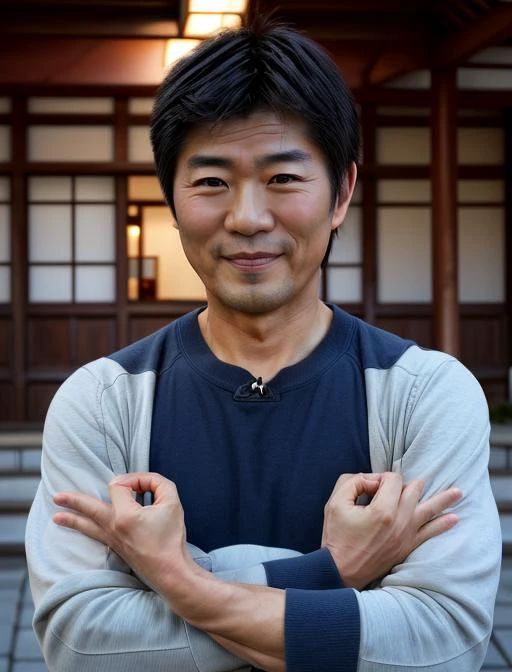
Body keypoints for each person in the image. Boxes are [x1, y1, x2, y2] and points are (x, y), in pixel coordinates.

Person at [25, 17, 501, 672]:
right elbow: (83, 644)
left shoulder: (425, 393)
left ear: (341, 194)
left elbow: (443, 644)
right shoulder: (100, 401)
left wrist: (178, 578)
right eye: (212, 182)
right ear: (171, 198)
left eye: (282, 178)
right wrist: (332, 573)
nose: (247, 218)